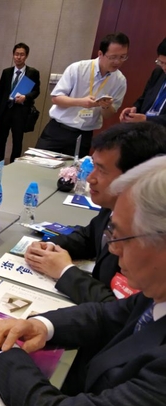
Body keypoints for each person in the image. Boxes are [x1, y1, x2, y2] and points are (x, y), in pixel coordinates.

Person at [0, 155, 166, 406]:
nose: (112, 250)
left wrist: (4, 353)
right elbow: (108, 315)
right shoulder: (156, 294)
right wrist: (41, 326)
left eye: (120, 238)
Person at [25, 122, 166, 303]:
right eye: (93, 166)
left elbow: (120, 309)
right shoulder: (111, 207)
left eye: (102, 170)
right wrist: (48, 247)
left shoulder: (148, 237)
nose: (90, 178)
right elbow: (90, 236)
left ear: (135, 177)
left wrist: (65, 271)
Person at [36, 33, 129, 157]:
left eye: (123, 57)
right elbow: (56, 98)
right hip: (58, 130)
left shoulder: (120, 80)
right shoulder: (78, 68)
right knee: (37, 164)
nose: (117, 61)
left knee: (75, 169)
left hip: (84, 135)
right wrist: (81, 102)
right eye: (113, 57)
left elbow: (108, 114)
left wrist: (106, 106)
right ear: (100, 54)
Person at [0, 43, 41, 164]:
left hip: (21, 111)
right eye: (16, 54)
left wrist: (25, 97)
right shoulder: (6, 72)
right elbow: (0, 92)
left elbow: (36, 91)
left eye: (22, 54)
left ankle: (13, 164)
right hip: (6, 109)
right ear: (13, 55)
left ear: (26, 56)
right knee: (1, 138)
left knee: (17, 140)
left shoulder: (32, 73)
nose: (18, 57)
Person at [120, 38, 166, 126]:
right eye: (161, 62)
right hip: (143, 127)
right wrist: (134, 109)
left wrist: (146, 119)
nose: (164, 67)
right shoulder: (158, 73)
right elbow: (143, 98)